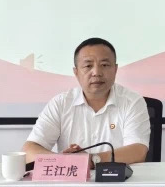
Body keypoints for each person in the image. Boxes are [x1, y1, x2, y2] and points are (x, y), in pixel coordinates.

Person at [23, 37, 150, 166]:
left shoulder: (132, 102)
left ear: (115, 69)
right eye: (88, 66)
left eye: (104, 65)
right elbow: (29, 150)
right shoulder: (61, 103)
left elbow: (138, 151)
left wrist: (92, 160)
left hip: (118, 178)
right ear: (76, 72)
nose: (96, 72)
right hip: (71, 178)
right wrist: (65, 161)